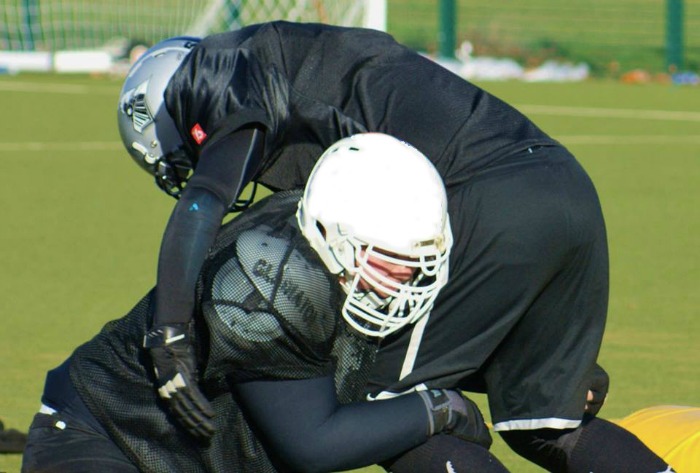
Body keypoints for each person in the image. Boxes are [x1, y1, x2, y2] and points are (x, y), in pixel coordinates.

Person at [116, 23, 675, 472]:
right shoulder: (303, 54)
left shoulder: (221, 75)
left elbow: (204, 200)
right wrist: (540, 349)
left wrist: (169, 333)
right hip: (563, 186)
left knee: (370, 402)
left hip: (482, 201)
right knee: (550, 428)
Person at [22, 133, 502, 473]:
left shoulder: (339, 251)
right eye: (389, 261)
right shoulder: (268, 279)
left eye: (418, 264)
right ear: (332, 238)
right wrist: (439, 407)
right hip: (109, 438)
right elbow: (314, 444)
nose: (406, 279)